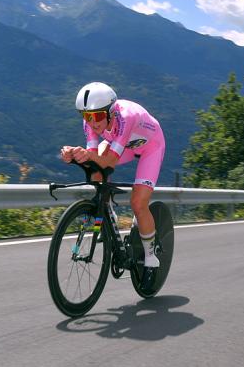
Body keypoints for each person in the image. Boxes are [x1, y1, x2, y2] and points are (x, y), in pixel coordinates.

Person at [60, 82, 165, 291]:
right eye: (86, 116)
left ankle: (152, 259)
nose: (92, 122)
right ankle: (106, 212)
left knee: (138, 203)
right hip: (126, 145)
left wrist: (86, 155)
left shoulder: (126, 117)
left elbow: (109, 159)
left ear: (110, 111)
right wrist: (74, 155)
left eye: (97, 116)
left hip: (150, 147)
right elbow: (94, 159)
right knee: (95, 170)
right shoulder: (90, 122)